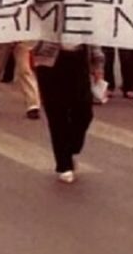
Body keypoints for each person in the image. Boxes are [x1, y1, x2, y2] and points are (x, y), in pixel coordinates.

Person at [33, 41, 103, 184]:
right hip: (50, 63)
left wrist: (97, 65)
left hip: (79, 59)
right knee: (57, 114)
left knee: (84, 112)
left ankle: (71, 148)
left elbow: (93, 35)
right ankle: (64, 164)